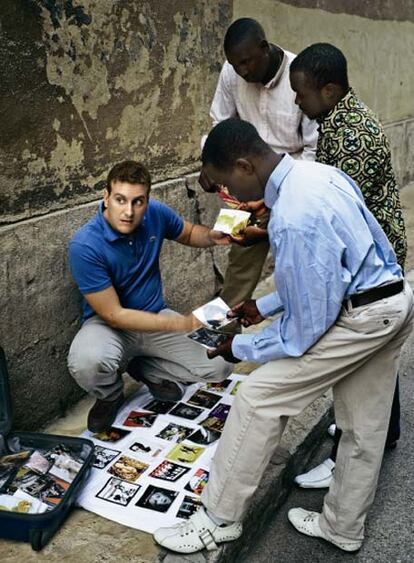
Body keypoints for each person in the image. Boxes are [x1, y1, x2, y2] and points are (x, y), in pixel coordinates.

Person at [153, 119, 413, 554]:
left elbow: (303, 333)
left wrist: (238, 345)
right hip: (392, 299)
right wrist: (264, 305)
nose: (227, 198)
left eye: (224, 186)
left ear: (243, 165)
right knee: (363, 425)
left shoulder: (294, 216)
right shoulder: (316, 174)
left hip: (362, 318)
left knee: (259, 397)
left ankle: (218, 520)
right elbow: (332, 274)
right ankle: (342, 528)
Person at [289, 43, 407, 489]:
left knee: (362, 357)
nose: (297, 101)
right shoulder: (338, 119)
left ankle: (352, 455)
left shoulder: (348, 134)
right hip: (376, 251)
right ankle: (379, 432)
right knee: (376, 356)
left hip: (373, 261)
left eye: (301, 93)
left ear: (330, 89)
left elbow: (338, 216)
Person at [68, 160, 232, 433]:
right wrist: (181, 323)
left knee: (221, 364)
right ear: (106, 197)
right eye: (120, 200)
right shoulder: (84, 244)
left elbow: (190, 233)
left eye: (138, 202)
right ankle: (110, 396)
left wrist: (213, 236)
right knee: (88, 361)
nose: (129, 212)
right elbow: (114, 314)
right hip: (108, 326)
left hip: (155, 315)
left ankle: (146, 369)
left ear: (147, 200)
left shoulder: (154, 213)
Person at [199, 17, 318, 307]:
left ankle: (300, 322)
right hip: (242, 188)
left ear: (264, 48)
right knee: (238, 257)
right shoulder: (231, 71)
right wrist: (210, 163)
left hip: (292, 184)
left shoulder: (299, 77)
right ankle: (221, 335)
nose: (242, 71)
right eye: (235, 64)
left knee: (295, 261)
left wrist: (274, 194)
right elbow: (220, 122)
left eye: (247, 62)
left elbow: (313, 149)